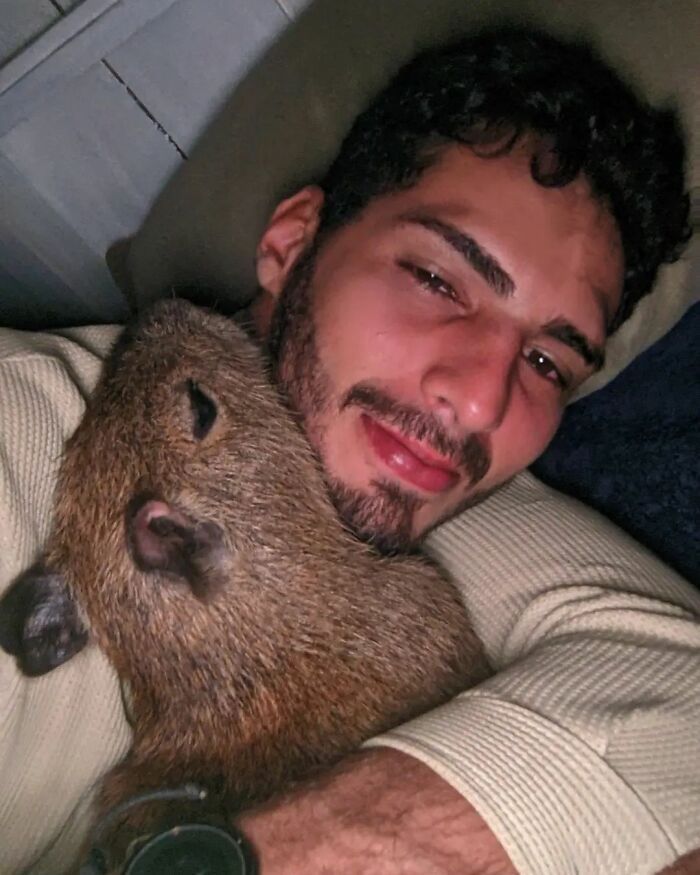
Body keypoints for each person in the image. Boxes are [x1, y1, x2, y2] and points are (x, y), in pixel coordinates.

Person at [0, 24, 698, 875]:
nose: (480, 399)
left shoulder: (462, 492)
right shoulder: (26, 425)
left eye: (549, 360)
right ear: (292, 242)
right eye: (439, 279)